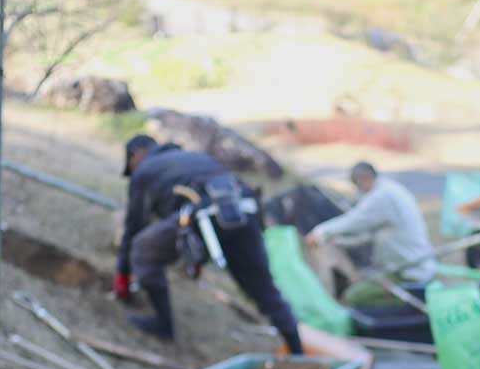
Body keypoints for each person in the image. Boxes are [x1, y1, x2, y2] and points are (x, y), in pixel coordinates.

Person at [115, 134, 302, 353]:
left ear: (136, 154)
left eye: (131, 165)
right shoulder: (194, 157)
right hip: (244, 211)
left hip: (206, 214)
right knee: (263, 287)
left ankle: (163, 325)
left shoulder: (145, 172)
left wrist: (123, 275)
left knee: (143, 248)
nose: (133, 172)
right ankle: (298, 351)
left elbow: (134, 227)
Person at [304, 162, 437, 307]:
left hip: (408, 272)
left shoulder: (382, 196)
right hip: (408, 266)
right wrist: (342, 241)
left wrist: (319, 232)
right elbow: (372, 233)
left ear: (365, 178)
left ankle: (399, 314)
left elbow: (355, 220)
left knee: (354, 297)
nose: (359, 191)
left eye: (357, 185)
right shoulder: (390, 189)